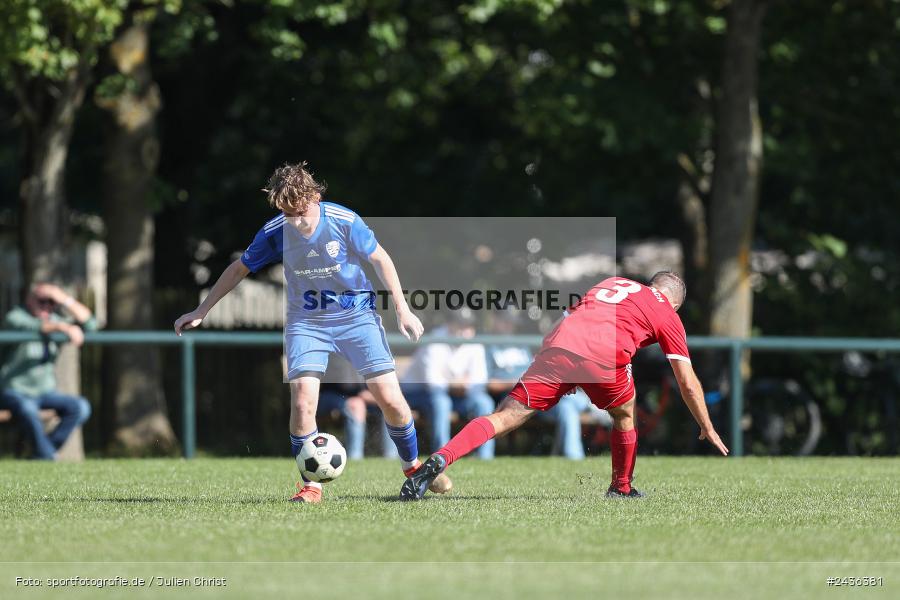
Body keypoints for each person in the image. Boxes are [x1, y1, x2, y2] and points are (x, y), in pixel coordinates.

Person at [174, 161, 450, 503]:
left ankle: (413, 468)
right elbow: (239, 268)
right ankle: (310, 485)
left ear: (315, 197)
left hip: (356, 316)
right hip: (307, 322)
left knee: (390, 399)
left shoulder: (344, 220)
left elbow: (381, 259)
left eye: (301, 211)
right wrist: (202, 309)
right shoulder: (277, 230)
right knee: (303, 402)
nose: (298, 221)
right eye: (289, 214)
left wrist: (402, 307)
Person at [400, 271, 729, 501]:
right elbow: (687, 382)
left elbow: (565, 319)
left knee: (505, 416)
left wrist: (558, 365)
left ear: (651, 284)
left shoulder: (612, 282)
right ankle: (622, 487)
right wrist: (707, 425)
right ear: (675, 303)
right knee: (624, 415)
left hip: (559, 345)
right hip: (603, 355)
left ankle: (440, 458)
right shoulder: (668, 314)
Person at [485, 310, 611, 460]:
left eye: (512, 323)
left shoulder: (520, 345)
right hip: (515, 399)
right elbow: (487, 383)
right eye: (506, 322)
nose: (509, 326)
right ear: (496, 320)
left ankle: (574, 458)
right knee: (566, 399)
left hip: (536, 394)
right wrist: (515, 382)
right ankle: (591, 406)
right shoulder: (489, 345)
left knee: (566, 405)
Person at [0, 284, 95, 460]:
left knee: (81, 407)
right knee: (27, 408)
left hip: (45, 392)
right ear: (30, 299)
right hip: (13, 391)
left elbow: (90, 323)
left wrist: (64, 299)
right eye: (42, 301)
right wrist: (64, 327)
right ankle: (46, 454)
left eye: (52, 303)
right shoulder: (15, 316)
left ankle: (44, 452)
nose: (47, 306)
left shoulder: (56, 320)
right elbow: (35, 326)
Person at [402, 310, 495, 459]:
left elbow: (480, 379)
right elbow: (432, 383)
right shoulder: (435, 338)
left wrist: (465, 385)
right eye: (461, 325)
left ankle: (485, 457)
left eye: (469, 326)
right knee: (441, 402)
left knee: (484, 402)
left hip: (455, 394)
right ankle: (442, 457)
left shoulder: (474, 342)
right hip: (417, 393)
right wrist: (457, 384)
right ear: (450, 324)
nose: (466, 330)